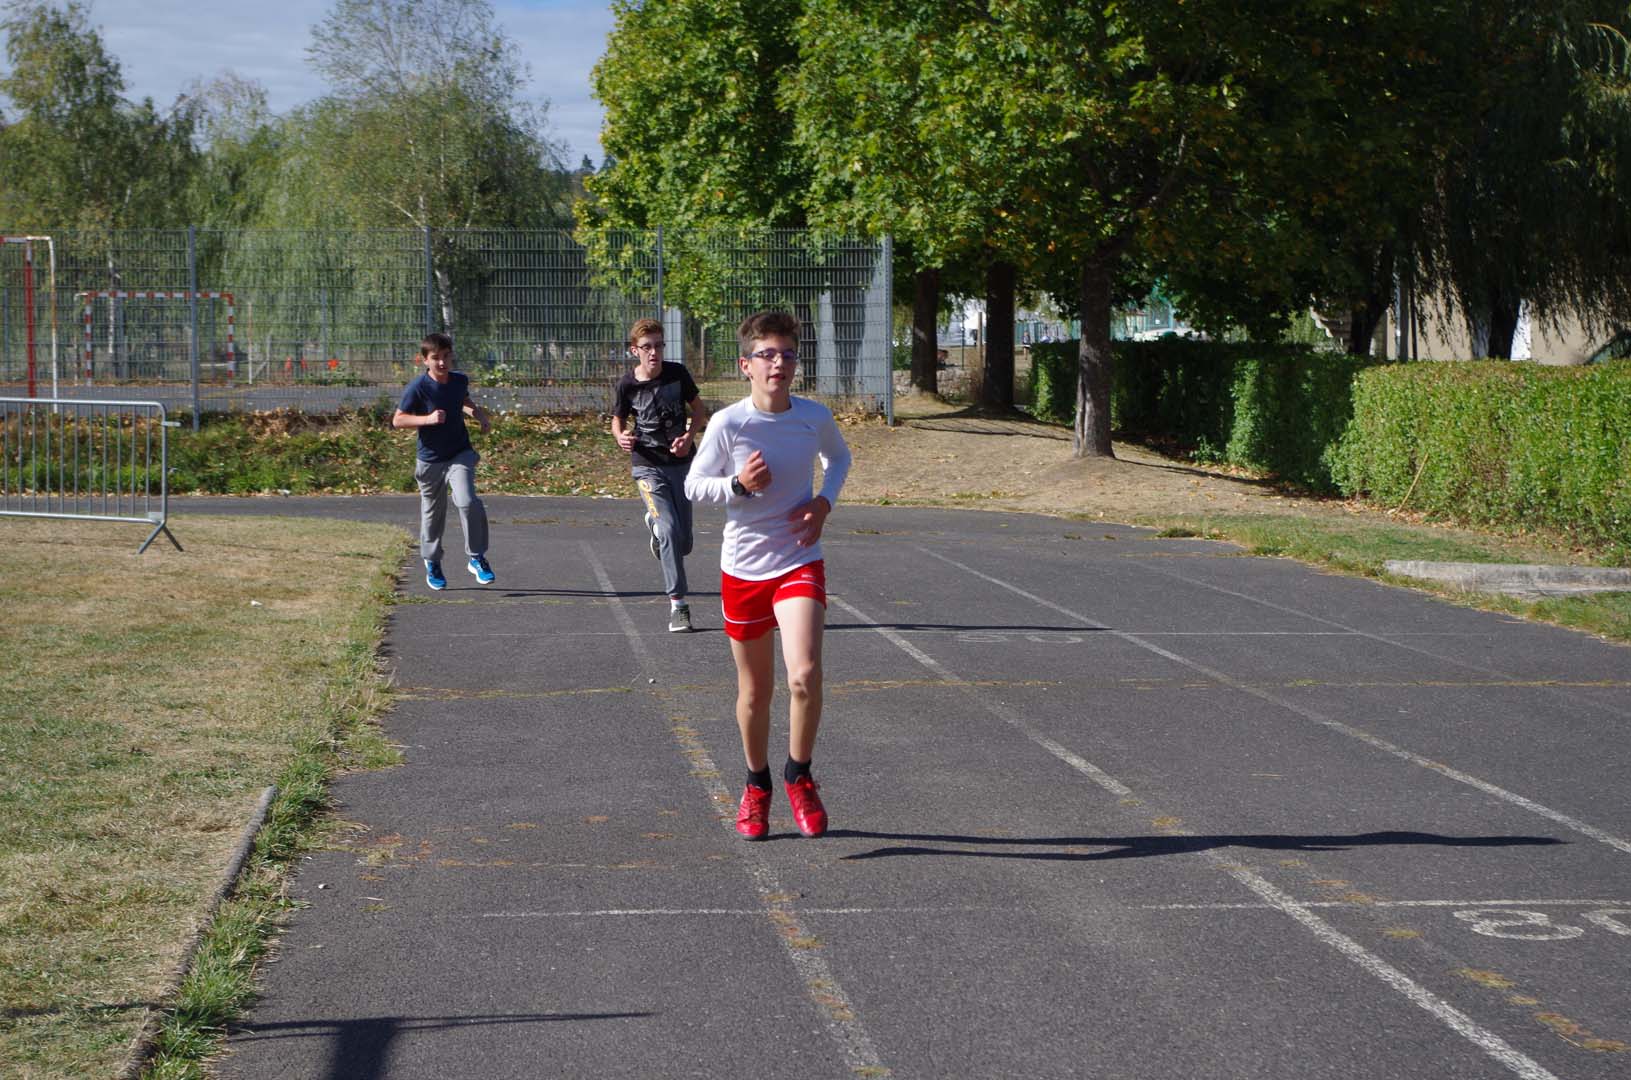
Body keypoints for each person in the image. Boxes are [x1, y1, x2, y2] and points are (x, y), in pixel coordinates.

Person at [685, 311, 852, 840]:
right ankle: (757, 785)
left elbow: (839, 459)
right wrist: (736, 484)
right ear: (746, 366)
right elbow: (693, 486)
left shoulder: (812, 417)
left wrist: (824, 502)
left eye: (787, 354)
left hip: (799, 558)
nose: (778, 363)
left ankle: (798, 775)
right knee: (755, 693)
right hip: (743, 568)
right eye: (767, 355)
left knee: (803, 674)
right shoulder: (729, 423)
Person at [612, 318, 709, 632]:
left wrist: (689, 434)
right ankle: (678, 606)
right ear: (634, 351)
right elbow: (618, 420)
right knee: (669, 531)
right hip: (647, 466)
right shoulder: (627, 384)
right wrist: (620, 436)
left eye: (658, 345)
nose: (654, 352)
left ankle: (655, 528)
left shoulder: (677, 374)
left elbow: (699, 410)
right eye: (647, 347)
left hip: (682, 465)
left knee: (684, 543)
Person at [392, 332, 495, 591]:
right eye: (435, 358)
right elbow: (398, 419)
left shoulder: (459, 380)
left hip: (459, 453)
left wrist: (478, 415)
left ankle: (476, 557)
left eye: (446, 357)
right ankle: (432, 561)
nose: (442, 363)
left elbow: (463, 400)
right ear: (424, 360)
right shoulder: (417, 388)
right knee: (433, 513)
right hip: (430, 461)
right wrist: (426, 420)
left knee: (468, 501)